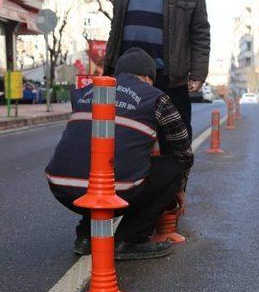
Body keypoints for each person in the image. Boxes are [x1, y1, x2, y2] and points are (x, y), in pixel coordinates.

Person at [45, 48, 194, 260]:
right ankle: (130, 239)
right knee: (170, 168)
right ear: (146, 78)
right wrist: (177, 187)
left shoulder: (85, 92)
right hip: (114, 191)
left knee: (98, 159)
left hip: (62, 186)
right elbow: (183, 151)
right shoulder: (155, 97)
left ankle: (87, 236)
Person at [104, 0, 210, 147]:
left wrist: (198, 72)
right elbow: (115, 28)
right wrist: (109, 68)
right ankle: (134, 179)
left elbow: (200, 32)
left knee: (175, 143)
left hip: (168, 78)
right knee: (124, 141)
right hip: (127, 78)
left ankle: (174, 179)